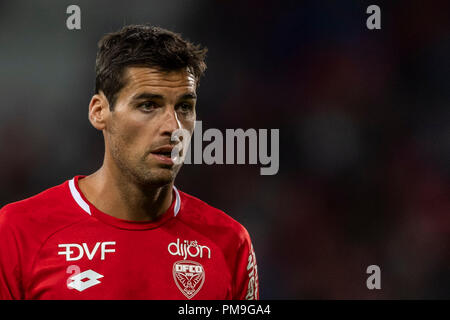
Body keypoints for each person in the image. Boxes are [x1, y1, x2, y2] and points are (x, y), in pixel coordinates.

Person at [0, 24, 259, 300]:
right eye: (148, 105)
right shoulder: (17, 233)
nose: (173, 127)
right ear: (99, 112)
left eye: (184, 107)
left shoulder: (230, 243)